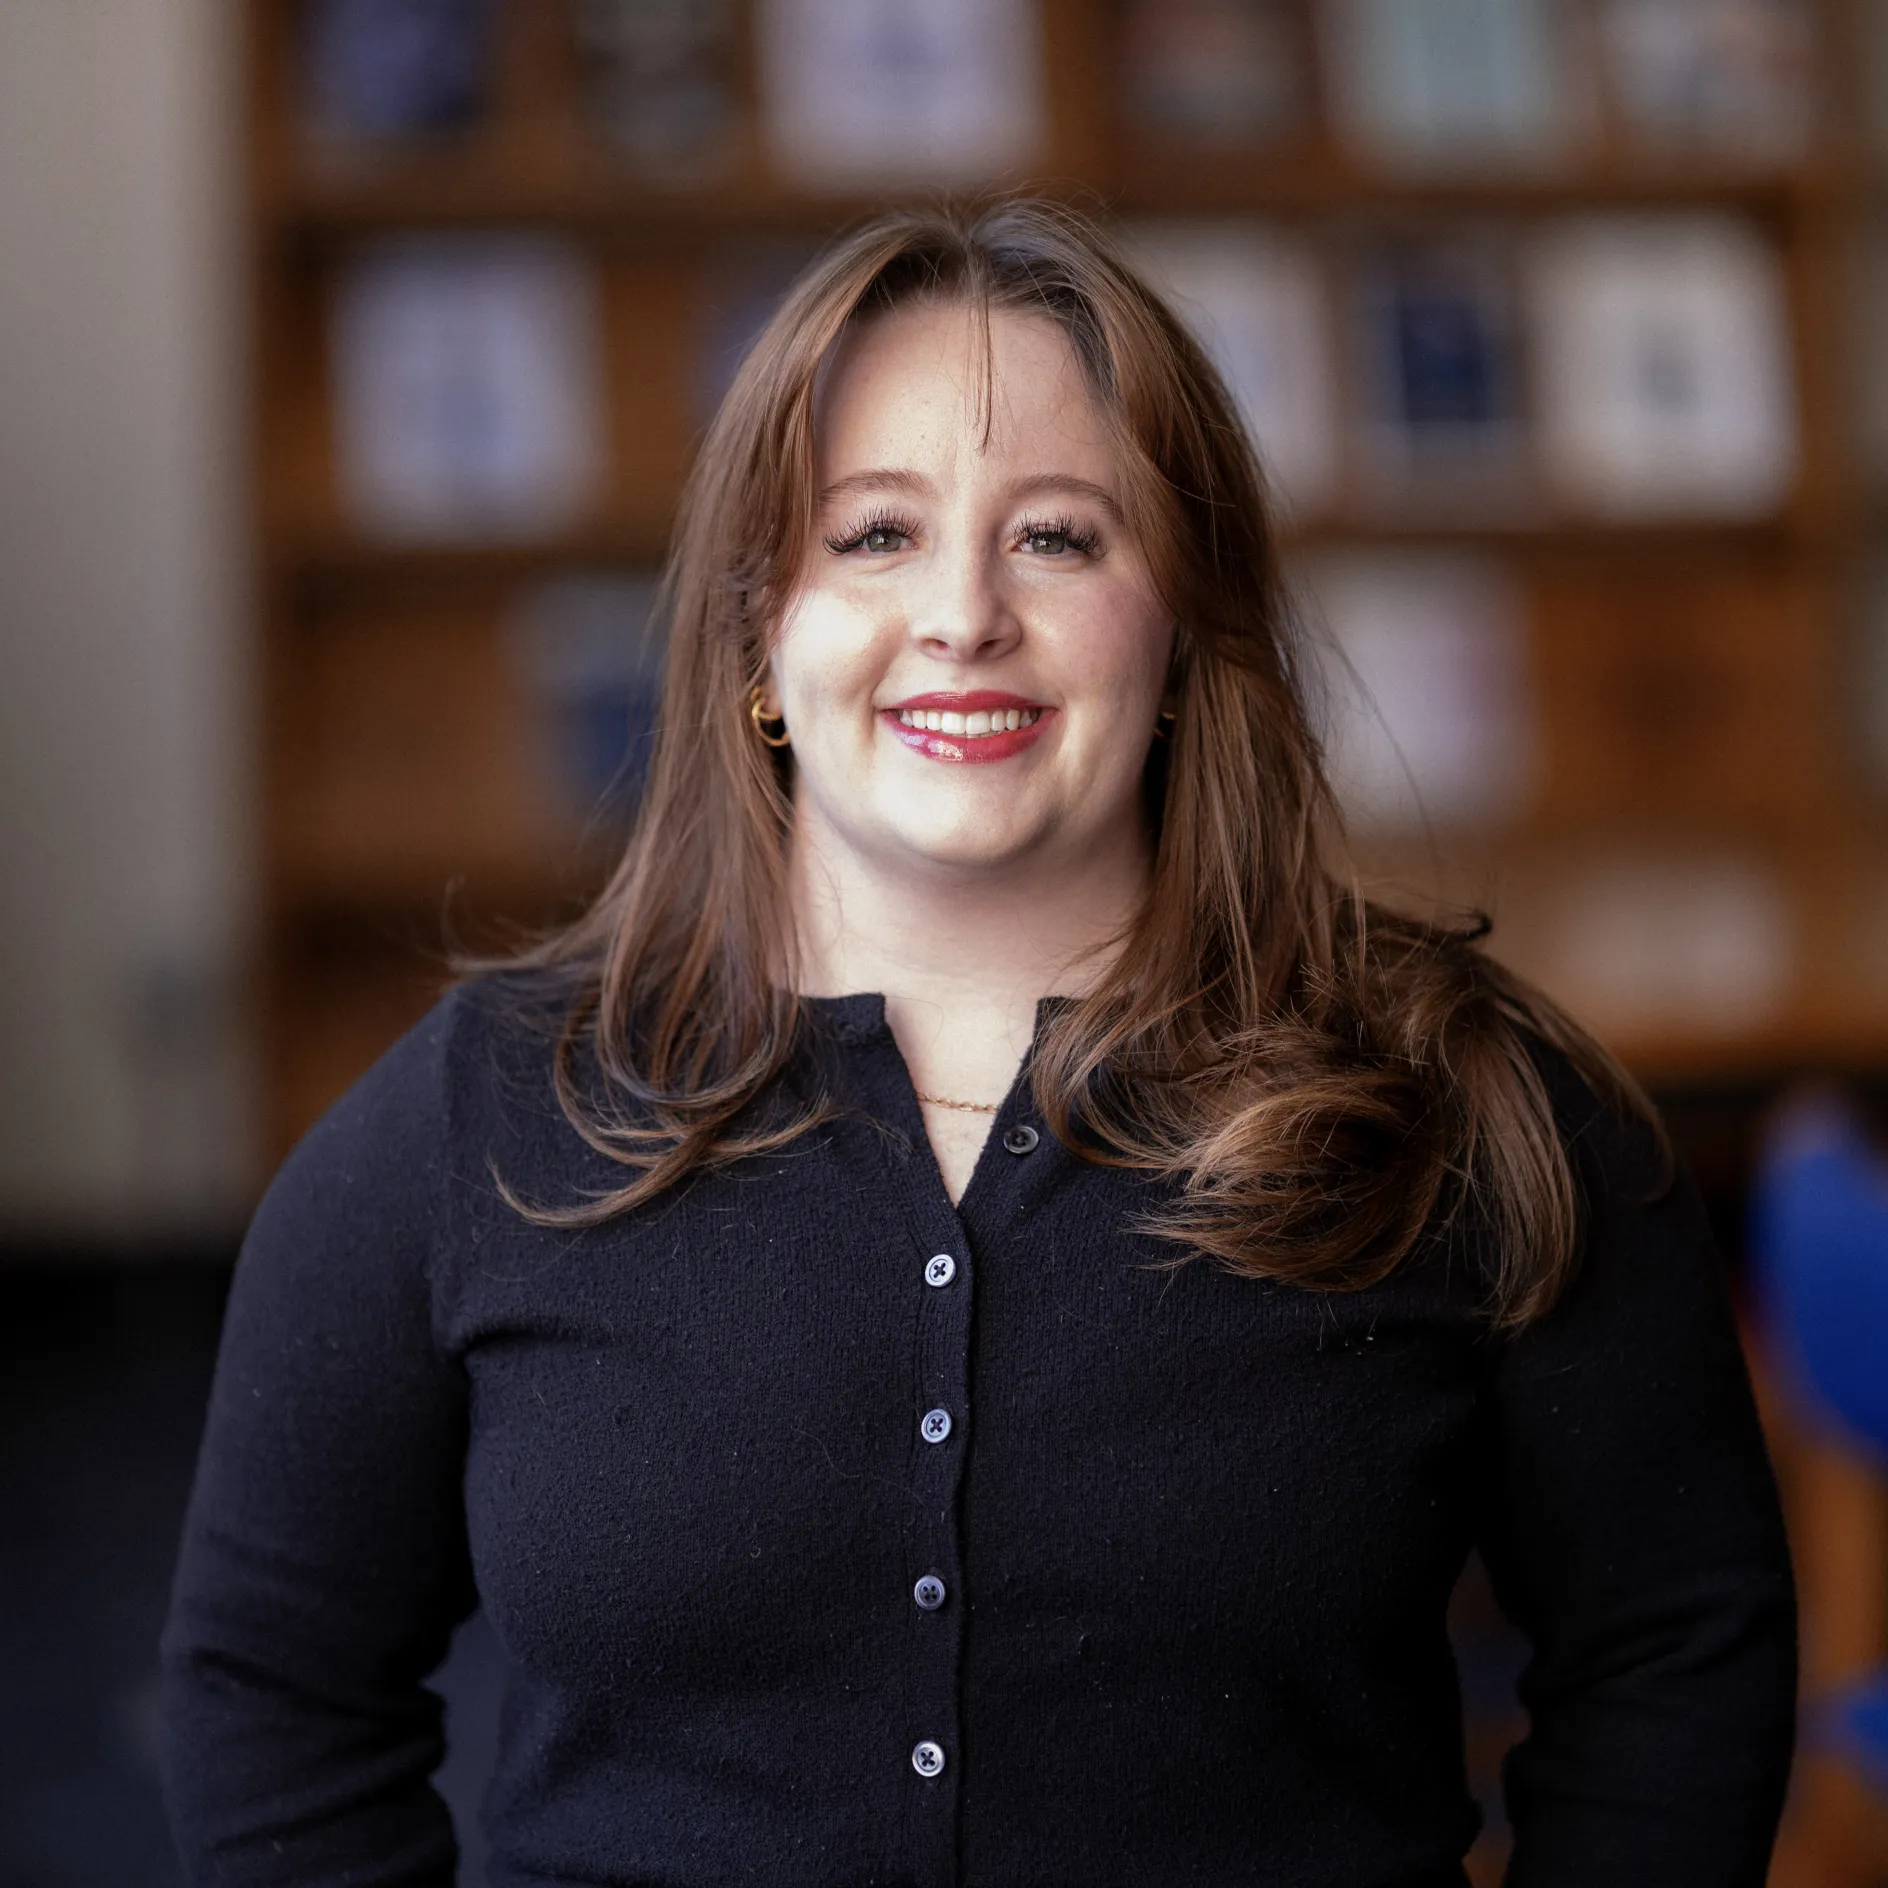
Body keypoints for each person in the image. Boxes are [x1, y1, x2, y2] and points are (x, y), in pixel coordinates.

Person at [160, 198, 1796, 1886]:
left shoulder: (1470, 1107)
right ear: (756, 640)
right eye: (874, 535)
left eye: (1061, 539)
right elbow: (273, 1692)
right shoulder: (485, 1114)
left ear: (1181, 636)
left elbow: (1677, 1653)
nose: (962, 615)